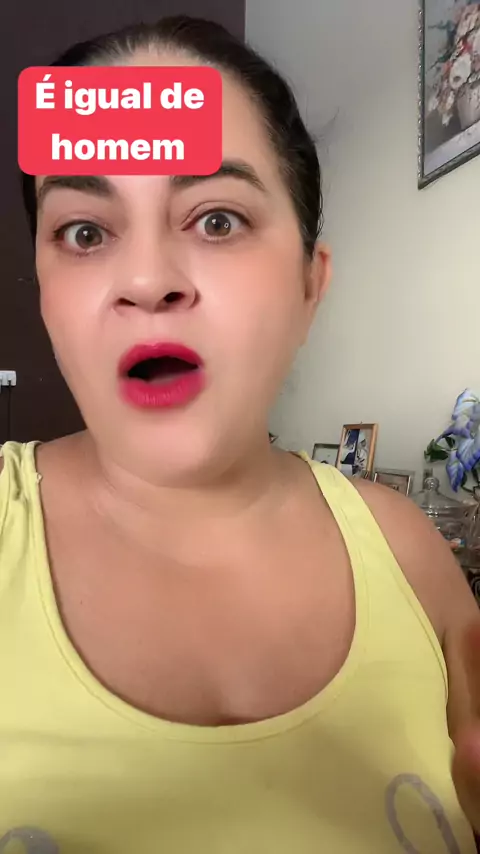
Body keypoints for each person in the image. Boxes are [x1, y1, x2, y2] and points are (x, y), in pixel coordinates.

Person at [1, 15, 480, 853]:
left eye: (216, 220)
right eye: (85, 232)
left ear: (309, 284)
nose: (146, 280)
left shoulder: (409, 554)